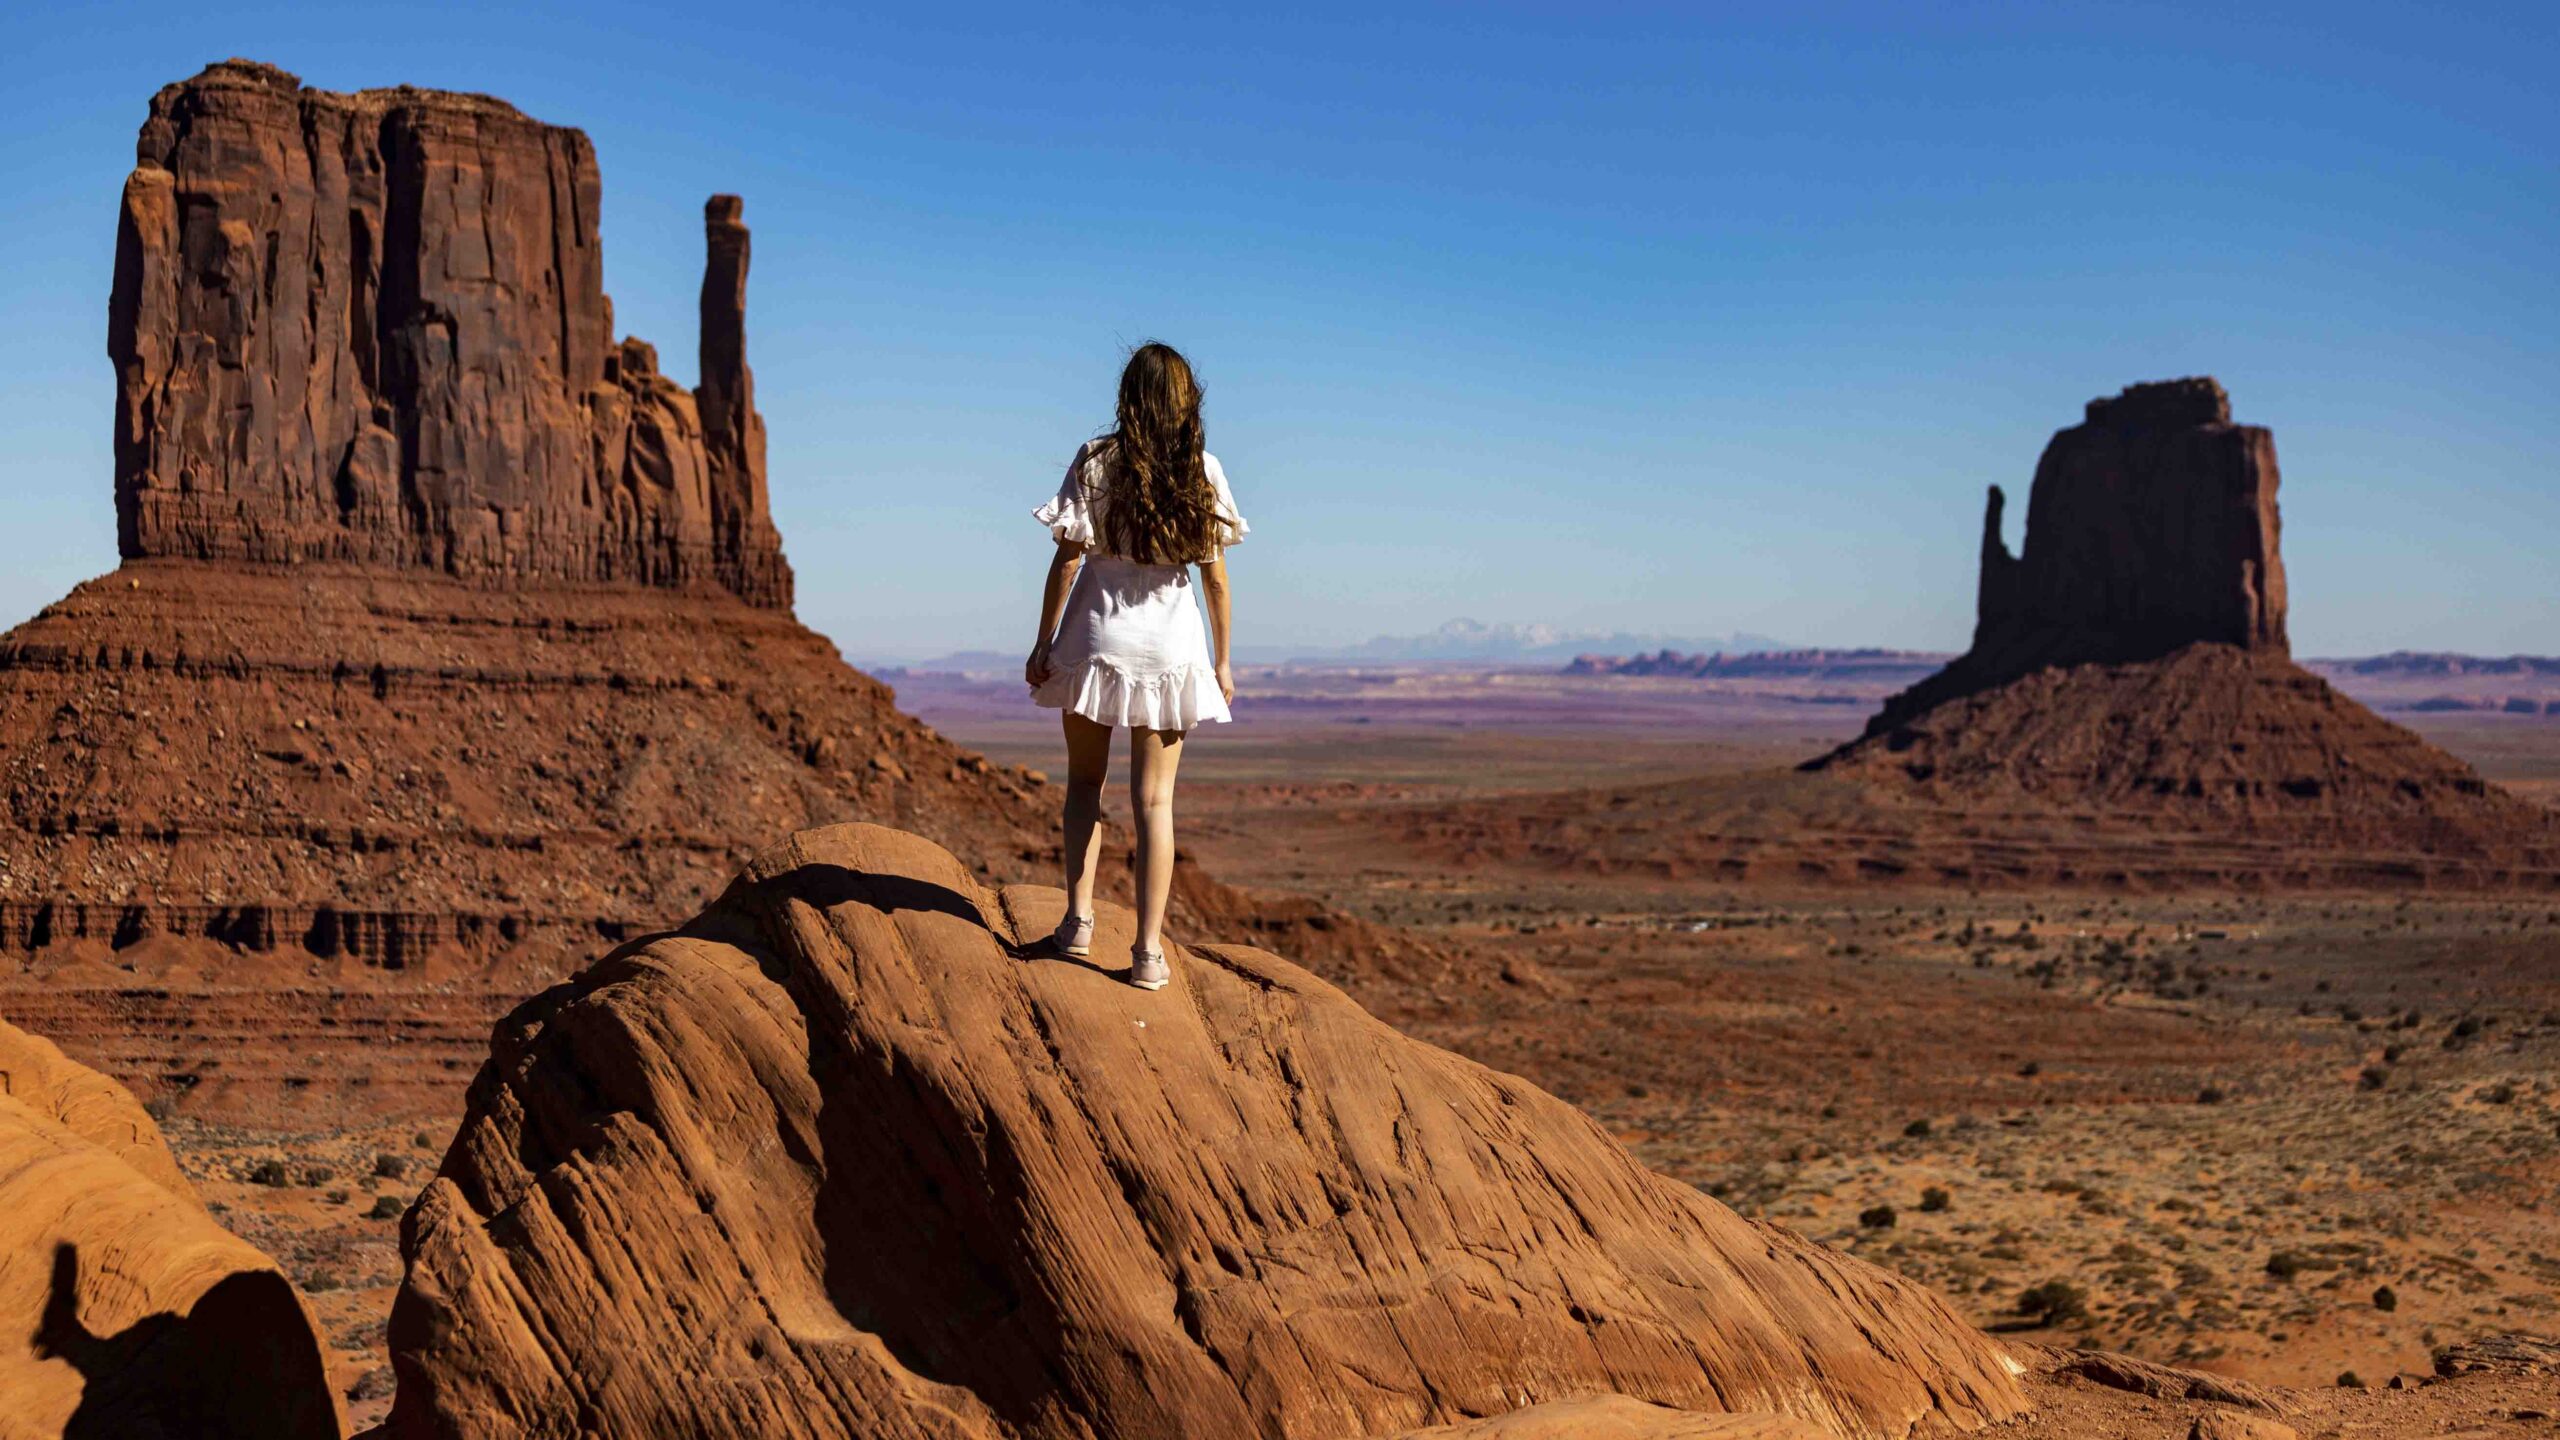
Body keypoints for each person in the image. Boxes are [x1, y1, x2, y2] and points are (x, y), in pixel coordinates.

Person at [1024, 342, 1244, 991]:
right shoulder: (1201, 471)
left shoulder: (1095, 460)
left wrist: (1042, 644)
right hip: (1171, 651)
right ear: (1186, 402)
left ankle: (1078, 922)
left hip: (1096, 641)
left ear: (1128, 397)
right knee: (1155, 802)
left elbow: (1067, 561)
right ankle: (1148, 955)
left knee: (1083, 786)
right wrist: (1224, 664)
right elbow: (1217, 582)